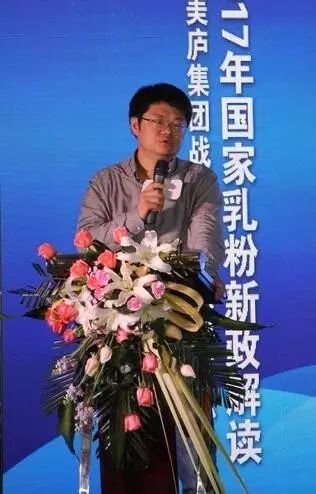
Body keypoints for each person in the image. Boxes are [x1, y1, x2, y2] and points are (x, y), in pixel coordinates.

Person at [76, 82, 225, 494]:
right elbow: (87, 240)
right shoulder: (106, 181)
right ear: (134, 125)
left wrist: (205, 272)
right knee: (130, 432)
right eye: (158, 121)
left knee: (191, 435)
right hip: (119, 325)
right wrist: (137, 214)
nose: (168, 131)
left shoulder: (198, 179)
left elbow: (205, 237)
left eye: (178, 124)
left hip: (180, 316)